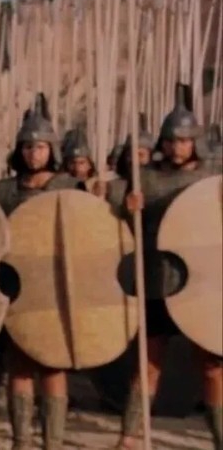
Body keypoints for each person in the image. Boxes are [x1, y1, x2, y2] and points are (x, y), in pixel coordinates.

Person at [118, 83, 222, 450]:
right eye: (171, 140)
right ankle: (130, 437)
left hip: (202, 285)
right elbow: (129, 232)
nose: (177, 147)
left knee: (212, 366)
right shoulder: (145, 177)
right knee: (149, 362)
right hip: (157, 278)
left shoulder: (212, 178)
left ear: (195, 142)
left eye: (184, 140)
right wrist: (129, 211)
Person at [0, 93, 84, 450]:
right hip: (15, 285)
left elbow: (88, 232)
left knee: (52, 365)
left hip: (56, 286)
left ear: (52, 149)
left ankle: (53, 442)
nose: (34, 153)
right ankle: (21, 440)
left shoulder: (69, 187)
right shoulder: (6, 190)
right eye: (28, 147)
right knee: (19, 364)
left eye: (41, 147)